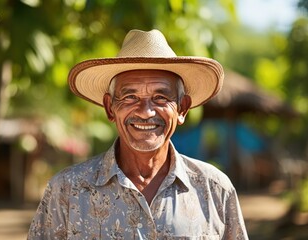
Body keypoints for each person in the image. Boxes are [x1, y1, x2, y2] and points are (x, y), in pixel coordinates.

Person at [28, 29, 248, 239]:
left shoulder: (214, 189)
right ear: (109, 107)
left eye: (161, 97)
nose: (146, 112)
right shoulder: (67, 190)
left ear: (182, 109)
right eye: (130, 97)